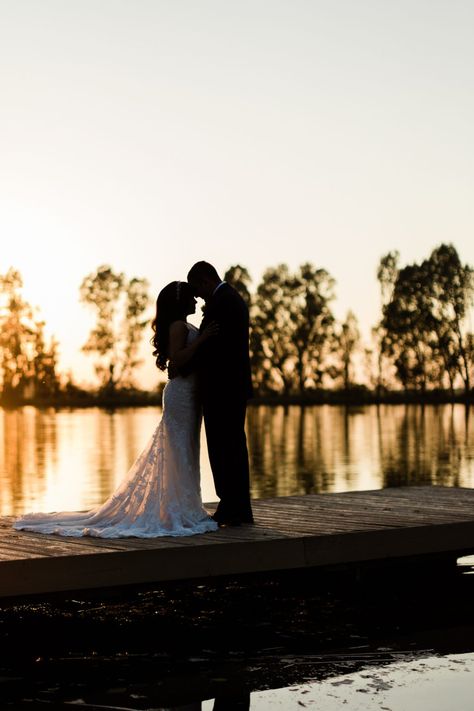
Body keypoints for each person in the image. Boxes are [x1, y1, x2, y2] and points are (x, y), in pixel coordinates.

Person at [13, 281, 219, 538]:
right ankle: (180, 509)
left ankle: (184, 505)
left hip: (190, 396)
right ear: (181, 301)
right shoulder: (178, 326)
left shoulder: (184, 325)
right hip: (181, 396)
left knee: (186, 449)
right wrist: (204, 340)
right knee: (179, 450)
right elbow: (177, 358)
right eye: (192, 298)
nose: (196, 301)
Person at [186, 261, 254, 526]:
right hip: (231, 388)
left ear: (204, 280)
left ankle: (232, 508)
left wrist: (181, 367)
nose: (198, 296)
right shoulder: (231, 298)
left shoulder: (222, 303)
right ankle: (237, 508)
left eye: (197, 290)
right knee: (232, 448)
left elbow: (212, 348)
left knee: (224, 448)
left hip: (222, 389)